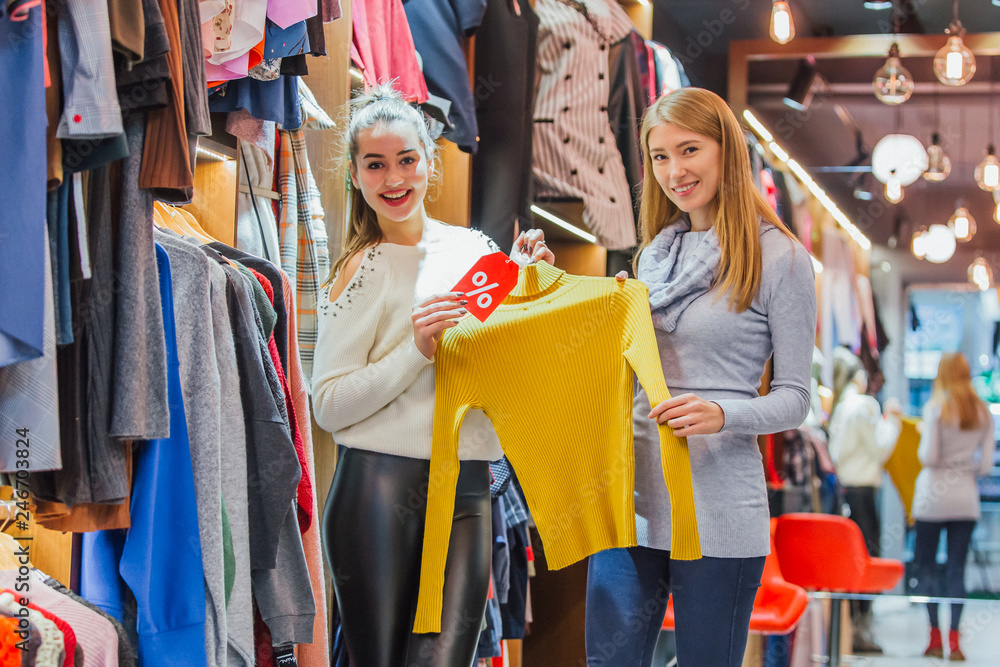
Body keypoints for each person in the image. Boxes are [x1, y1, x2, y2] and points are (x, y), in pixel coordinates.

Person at [311, 84, 553, 667]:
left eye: (406, 160)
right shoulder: (358, 270)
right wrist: (417, 349)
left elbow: (509, 374)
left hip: (469, 482)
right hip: (378, 486)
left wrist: (532, 294)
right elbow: (329, 406)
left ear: (429, 162)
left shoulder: (477, 252)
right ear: (355, 173)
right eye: (375, 164)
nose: (393, 179)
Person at [586, 87, 817, 666]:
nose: (674, 171)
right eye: (659, 156)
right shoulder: (651, 260)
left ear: (726, 151)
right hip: (632, 497)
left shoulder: (780, 258)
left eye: (688, 150)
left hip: (718, 505)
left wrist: (723, 412)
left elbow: (795, 398)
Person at [912, 353, 996, 660]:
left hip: (933, 496)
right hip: (965, 497)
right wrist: (963, 464)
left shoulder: (936, 408)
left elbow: (928, 458)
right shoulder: (982, 412)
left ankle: (934, 640)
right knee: (957, 570)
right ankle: (956, 642)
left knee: (927, 568)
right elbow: (986, 465)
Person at [827, 346, 901, 654]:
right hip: (863, 495)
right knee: (866, 561)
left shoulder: (840, 407)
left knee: (849, 563)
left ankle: (849, 631)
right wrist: (893, 420)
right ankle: (860, 631)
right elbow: (881, 448)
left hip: (843, 493)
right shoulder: (865, 405)